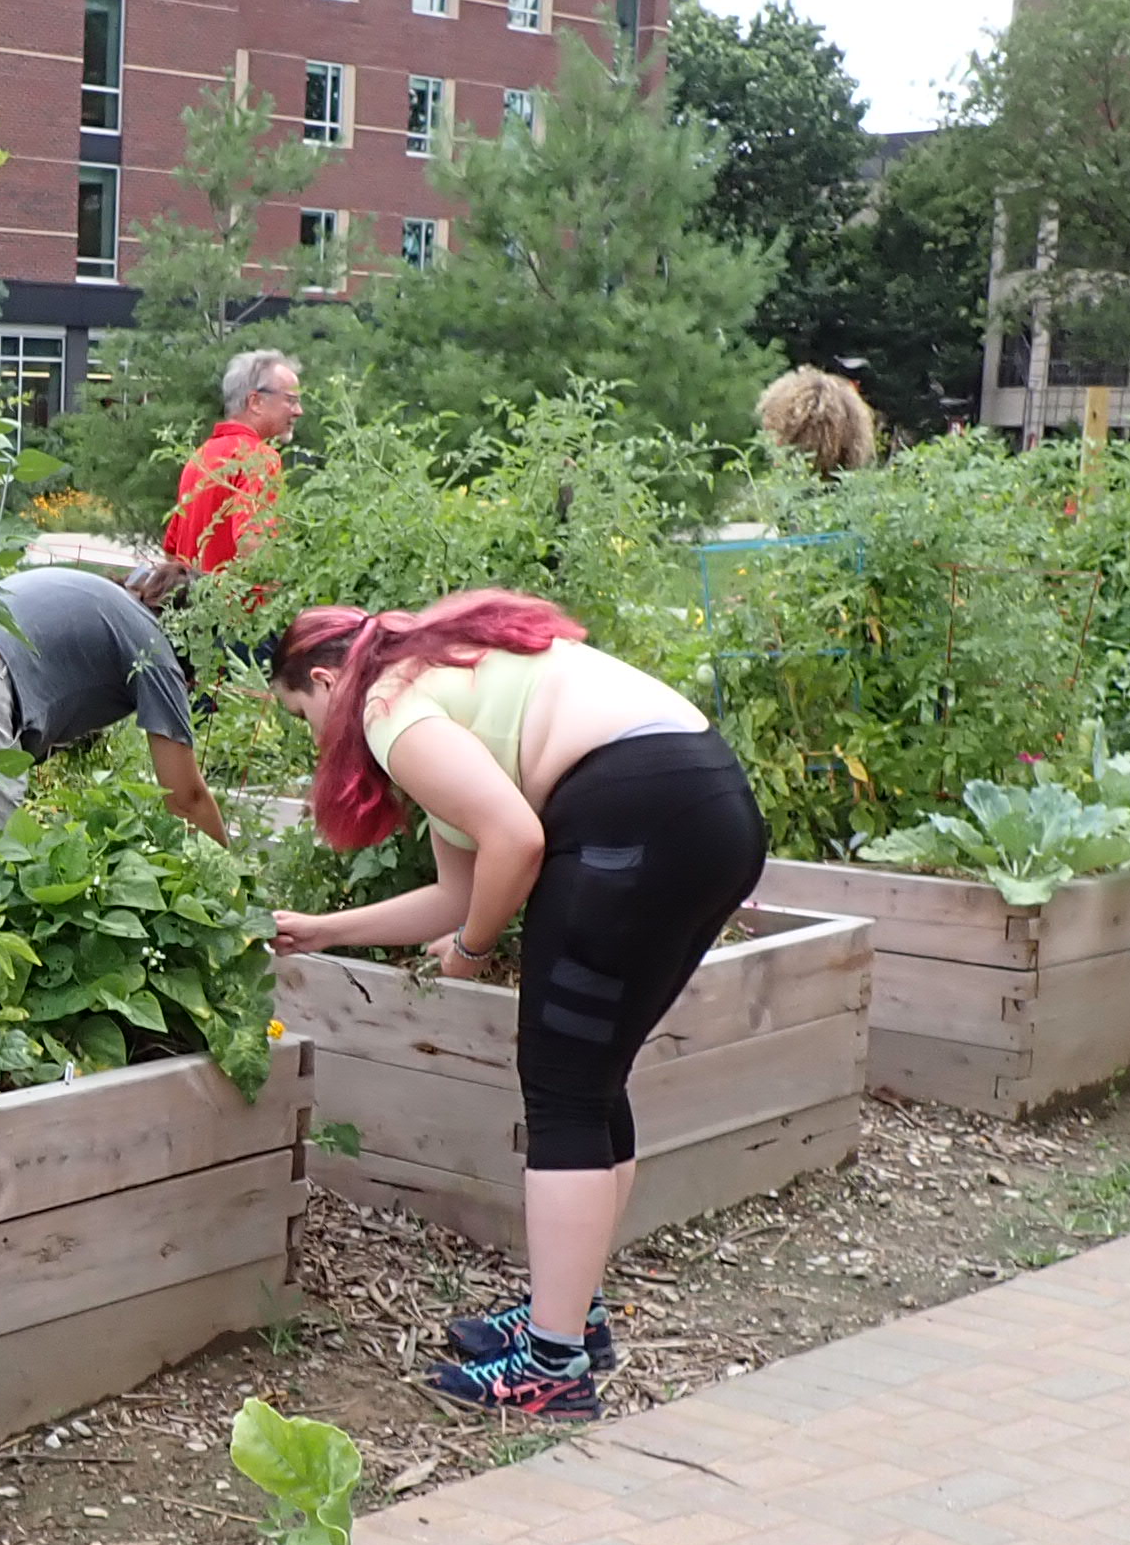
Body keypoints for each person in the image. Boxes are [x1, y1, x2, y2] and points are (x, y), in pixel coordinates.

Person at [263, 595, 767, 1420]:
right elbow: (458, 890)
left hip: (637, 812)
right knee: (593, 1080)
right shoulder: (443, 674)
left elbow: (516, 846)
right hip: (706, 808)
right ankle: (574, 1319)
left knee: (564, 1086)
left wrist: (473, 949)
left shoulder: (388, 705)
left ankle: (554, 1366)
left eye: (301, 714)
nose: (314, 734)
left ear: (326, 679)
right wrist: (323, 931)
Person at [0, 565, 229, 841]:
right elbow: (186, 800)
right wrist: (228, 883)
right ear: (193, 640)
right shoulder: (154, 648)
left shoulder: (101, 597)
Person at [161, 345, 300, 574]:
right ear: (255, 402)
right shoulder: (259, 459)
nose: (298, 411)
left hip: (196, 605)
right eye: (291, 400)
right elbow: (254, 544)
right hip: (238, 608)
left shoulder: (201, 456)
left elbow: (172, 551)